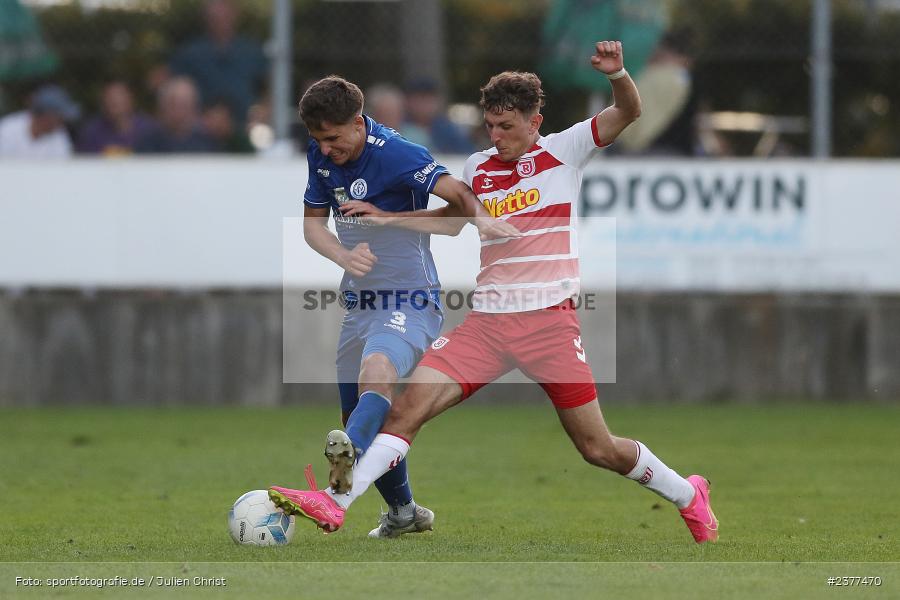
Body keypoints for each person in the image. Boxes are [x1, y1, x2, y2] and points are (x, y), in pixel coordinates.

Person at [270, 42, 719, 545]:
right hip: (487, 324)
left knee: (597, 448)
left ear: (535, 121)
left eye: (507, 127)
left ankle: (687, 494)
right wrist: (388, 216)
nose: (497, 136)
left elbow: (629, 111)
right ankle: (334, 503)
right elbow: (450, 223)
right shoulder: (479, 167)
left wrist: (617, 75)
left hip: (549, 323)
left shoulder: (564, 151)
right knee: (405, 412)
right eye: (490, 125)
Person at [279, 76, 516, 538]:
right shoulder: (321, 156)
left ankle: (336, 488)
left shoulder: (397, 153)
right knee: (364, 413)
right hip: (359, 303)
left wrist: (482, 221)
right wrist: (344, 256)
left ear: (358, 123)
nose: (326, 150)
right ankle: (403, 514)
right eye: (317, 140)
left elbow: (458, 193)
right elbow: (313, 228)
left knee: (378, 367)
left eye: (333, 138)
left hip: (412, 297)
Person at [169, 0, 267, 125]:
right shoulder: (189, 53)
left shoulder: (251, 51)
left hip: (244, 127)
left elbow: (269, 87)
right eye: (214, 16)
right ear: (205, 17)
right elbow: (175, 89)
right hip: (200, 129)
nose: (220, 19)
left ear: (235, 14)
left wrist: (262, 113)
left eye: (224, 14)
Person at [135, 77, 216, 154]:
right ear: (162, 107)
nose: (179, 112)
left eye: (184, 105)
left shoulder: (208, 143)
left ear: (194, 109)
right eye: (173, 105)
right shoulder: (147, 142)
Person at [77, 80, 156, 156]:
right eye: (110, 98)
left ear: (131, 99)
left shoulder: (149, 130)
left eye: (119, 97)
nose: (114, 102)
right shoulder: (92, 133)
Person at [0, 84, 79, 158]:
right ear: (45, 116)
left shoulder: (60, 137)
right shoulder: (6, 130)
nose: (61, 123)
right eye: (59, 118)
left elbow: (62, 169)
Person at [400, 78, 474, 154]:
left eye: (429, 100)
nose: (424, 105)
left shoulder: (448, 129)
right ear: (407, 101)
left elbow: (465, 154)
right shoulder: (398, 126)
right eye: (419, 99)